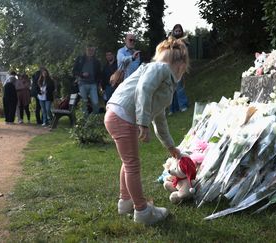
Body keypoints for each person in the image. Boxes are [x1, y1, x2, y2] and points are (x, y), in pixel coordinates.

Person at [104, 36, 189, 225]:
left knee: (128, 163)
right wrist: (142, 122)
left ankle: (125, 202)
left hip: (117, 113)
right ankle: (142, 211)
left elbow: (159, 118)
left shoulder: (163, 80)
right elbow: (143, 89)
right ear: (180, 64)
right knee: (132, 165)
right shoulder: (160, 68)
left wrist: (170, 146)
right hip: (123, 115)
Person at [72, 45, 102, 116]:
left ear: (94, 51)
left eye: (92, 50)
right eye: (89, 50)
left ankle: (94, 118)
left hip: (93, 84)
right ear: (85, 50)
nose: (90, 52)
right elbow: (74, 71)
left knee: (95, 102)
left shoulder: (96, 61)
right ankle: (84, 119)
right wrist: (82, 74)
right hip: (82, 83)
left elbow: (99, 74)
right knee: (84, 102)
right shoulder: (80, 59)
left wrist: (98, 83)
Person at [169, 24, 189, 114]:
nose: (177, 32)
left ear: (181, 32)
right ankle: (172, 108)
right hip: (170, 66)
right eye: (176, 31)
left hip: (179, 66)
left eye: (179, 31)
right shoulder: (169, 41)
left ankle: (183, 105)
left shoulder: (184, 42)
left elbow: (184, 54)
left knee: (179, 87)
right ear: (173, 32)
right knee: (171, 88)